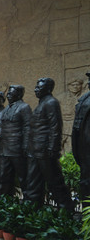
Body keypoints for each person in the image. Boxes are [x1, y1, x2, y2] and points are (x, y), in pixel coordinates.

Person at [27, 78, 75, 214]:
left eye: (39, 87)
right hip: (36, 150)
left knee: (55, 181)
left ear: (48, 89)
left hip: (45, 151)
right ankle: (34, 210)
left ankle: (66, 211)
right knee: (34, 182)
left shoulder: (51, 102)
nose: (35, 89)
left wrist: (53, 148)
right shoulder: (42, 103)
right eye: (36, 87)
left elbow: (55, 127)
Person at [0, 85, 32, 197]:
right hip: (5, 148)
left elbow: (28, 127)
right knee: (4, 176)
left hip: (17, 148)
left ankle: (28, 200)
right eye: (8, 93)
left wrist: (25, 145)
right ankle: (6, 200)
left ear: (19, 95)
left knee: (23, 177)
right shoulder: (7, 108)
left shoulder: (24, 107)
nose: (8, 95)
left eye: (11, 93)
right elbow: (4, 124)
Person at [73, 71, 90, 208]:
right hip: (84, 147)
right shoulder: (84, 99)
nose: (89, 82)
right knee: (85, 181)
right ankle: (86, 213)